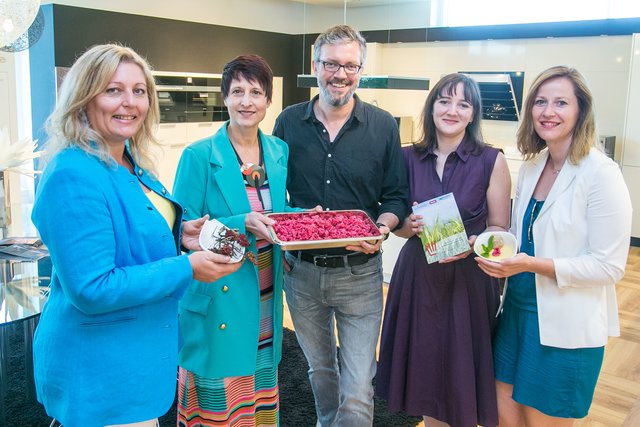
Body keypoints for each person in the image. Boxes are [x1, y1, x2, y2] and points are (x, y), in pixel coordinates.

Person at [31, 44, 241, 427]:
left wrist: (180, 236)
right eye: (113, 90)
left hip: (138, 355)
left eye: (139, 91)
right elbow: (93, 287)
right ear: (84, 98)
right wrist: (186, 268)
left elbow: (130, 231)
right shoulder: (72, 175)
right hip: (101, 369)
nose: (129, 103)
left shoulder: (128, 159)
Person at [476, 66, 632, 426]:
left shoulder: (601, 174)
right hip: (514, 314)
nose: (548, 112)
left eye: (561, 102)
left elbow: (609, 267)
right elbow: (519, 234)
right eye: (541, 102)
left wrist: (533, 265)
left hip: (566, 328)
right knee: (504, 417)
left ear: (580, 111)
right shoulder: (533, 166)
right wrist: (485, 242)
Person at [272, 24, 408, 427]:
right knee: (321, 373)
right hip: (302, 274)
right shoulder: (288, 123)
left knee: (358, 386)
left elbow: (396, 196)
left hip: (361, 275)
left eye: (350, 65)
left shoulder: (383, 126)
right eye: (331, 63)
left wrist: (380, 229)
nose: (340, 74)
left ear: (360, 70)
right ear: (315, 66)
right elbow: (275, 197)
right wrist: (294, 217)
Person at [375, 73, 511, 427]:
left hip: (468, 281)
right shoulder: (406, 157)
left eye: (463, 104)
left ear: (473, 114)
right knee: (424, 372)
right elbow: (399, 222)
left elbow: (499, 228)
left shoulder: (491, 160)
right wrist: (409, 226)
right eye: (445, 101)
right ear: (431, 106)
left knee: (460, 376)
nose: (452, 110)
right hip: (418, 278)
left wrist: (474, 245)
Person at [172, 54, 295, 427]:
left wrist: (303, 216)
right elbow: (182, 232)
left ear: (268, 100)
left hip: (265, 294)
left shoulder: (277, 151)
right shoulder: (198, 156)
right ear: (225, 97)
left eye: (256, 92)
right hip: (220, 294)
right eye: (237, 91)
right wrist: (241, 223)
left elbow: (277, 210)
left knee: (255, 402)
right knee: (217, 407)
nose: (247, 101)